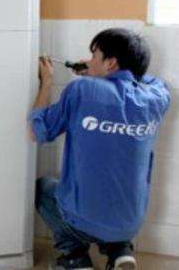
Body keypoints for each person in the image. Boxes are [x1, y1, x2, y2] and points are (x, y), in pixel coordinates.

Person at [28, 28, 170, 270]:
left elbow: (37, 131)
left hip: (81, 221)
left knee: (41, 189)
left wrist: (47, 82)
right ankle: (119, 251)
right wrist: (101, 71)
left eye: (94, 56)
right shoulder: (157, 98)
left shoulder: (82, 90)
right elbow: (150, 80)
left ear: (111, 62)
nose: (89, 61)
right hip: (130, 224)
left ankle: (74, 257)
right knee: (114, 200)